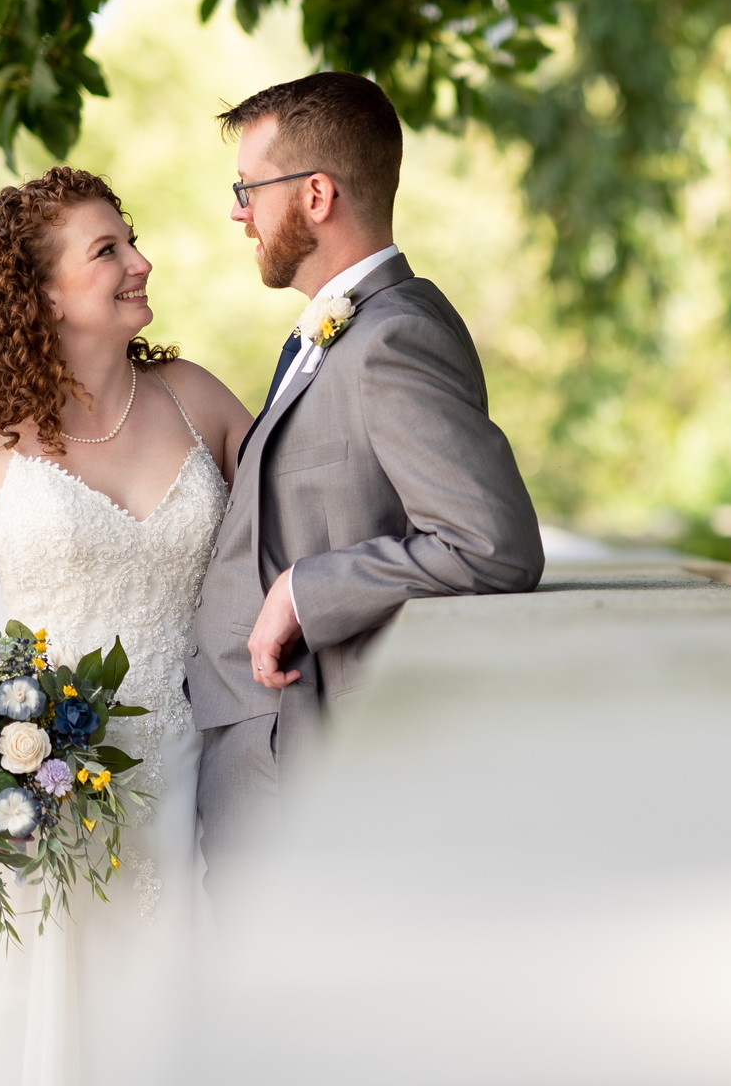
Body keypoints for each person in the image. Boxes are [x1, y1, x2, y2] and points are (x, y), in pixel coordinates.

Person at [0, 167, 251, 1086]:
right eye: (108, 250)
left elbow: (299, 522)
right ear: (42, 294)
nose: (141, 262)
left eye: (130, 239)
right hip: (40, 816)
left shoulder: (199, 401)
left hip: (191, 786)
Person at [188, 71, 545, 904]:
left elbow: (490, 545)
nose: (237, 212)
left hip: (310, 757)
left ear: (315, 195)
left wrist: (304, 592)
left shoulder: (394, 337)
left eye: (249, 188)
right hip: (266, 751)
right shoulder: (340, 330)